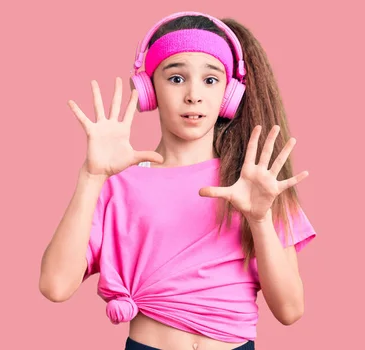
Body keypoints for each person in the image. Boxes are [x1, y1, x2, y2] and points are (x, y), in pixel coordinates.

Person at [39, 11, 317, 350]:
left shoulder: (256, 182)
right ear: (148, 89)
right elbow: (55, 286)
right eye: (176, 78)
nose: (193, 95)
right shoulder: (115, 183)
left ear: (230, 94)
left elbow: (290, 310)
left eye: (210, 80)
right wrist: (90, 176)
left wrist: (259, 220)